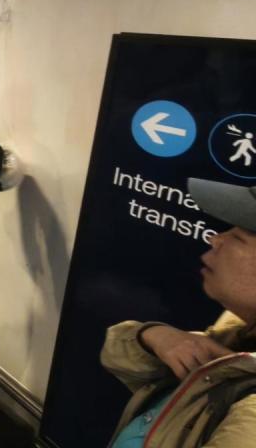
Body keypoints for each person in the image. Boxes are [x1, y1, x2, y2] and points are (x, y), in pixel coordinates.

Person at [101, 178, 256, 447]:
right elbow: (117, 352)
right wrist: (155, 336)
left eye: (238, 238)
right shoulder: (236, 335)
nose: (215, 239)